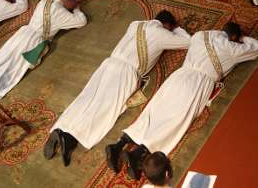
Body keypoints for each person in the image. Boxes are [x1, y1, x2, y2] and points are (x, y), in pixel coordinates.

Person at [106, 22, 258, 179]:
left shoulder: (200, 35)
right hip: (197, 84)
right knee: (174, 121)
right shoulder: (231, 48)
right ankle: (136, 155)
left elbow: (186, 38)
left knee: (154, 112)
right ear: (234, 37)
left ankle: (118, 145)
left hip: (179, 76)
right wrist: (243, 38)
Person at [45, 11, 191, 166]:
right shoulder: (161, 33)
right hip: (126, 73)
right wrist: (176, 29)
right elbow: (188, 42)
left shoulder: (135, 24)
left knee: (86, 97)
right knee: (106, 108)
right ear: (166, 25)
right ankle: (69, 139)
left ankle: (61, 128)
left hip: (108, 64)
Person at [0, 0, 87, 99]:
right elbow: (81, 21)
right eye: (71, 7)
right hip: (33, 42)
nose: (70, 9)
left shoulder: (43, 2)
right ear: (68, 4)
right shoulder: (61, 13)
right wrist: (77, 10)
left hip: (22, 34)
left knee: (3, 57)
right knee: (14, 66)